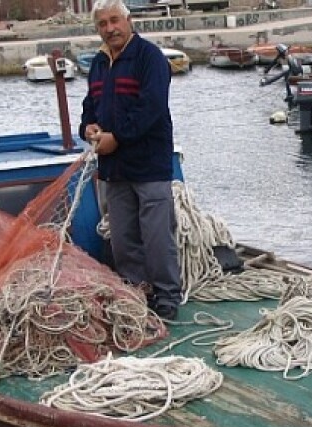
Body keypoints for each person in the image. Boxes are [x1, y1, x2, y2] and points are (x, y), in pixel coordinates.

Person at [79, 0, 181, 321]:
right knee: (122, 239)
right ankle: (137, 291)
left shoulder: (150, 59)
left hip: (149, 165)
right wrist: (88, 127)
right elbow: (90, 105)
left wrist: (116, 138)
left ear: (129, 20)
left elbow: (150, 108)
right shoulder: (98, 63)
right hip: (115, 169)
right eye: (102, 24)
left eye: (114, 21)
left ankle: (167, 295)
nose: (109, 29)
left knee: (156, 236)